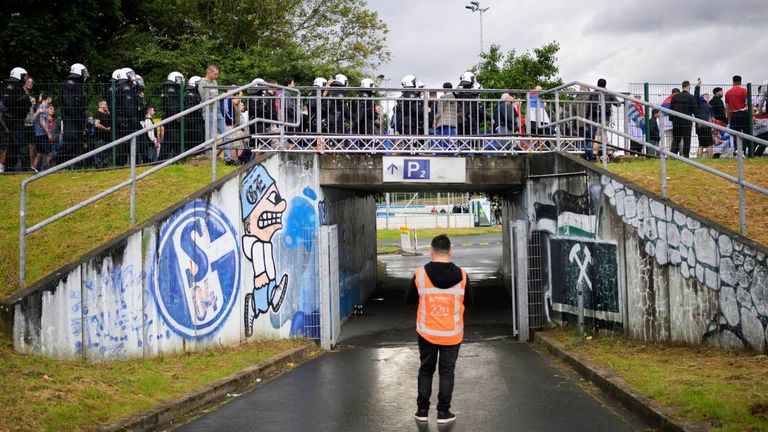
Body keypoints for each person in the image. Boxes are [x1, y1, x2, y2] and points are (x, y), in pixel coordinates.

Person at [405, 234, 472, 424]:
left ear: (431, 252)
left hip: (427, 333)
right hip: (452, 334)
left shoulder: (420, 274)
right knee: (446, 372)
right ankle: (443, 412)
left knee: (426, 370)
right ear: (450, 251)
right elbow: (470, 302)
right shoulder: (463, 275)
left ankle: (422, 411)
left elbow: (408, 300)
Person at [1, 67, 31, 172]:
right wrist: (25, 99)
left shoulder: (15, 86)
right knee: (22, 143)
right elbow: (9, 102)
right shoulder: (11, 86)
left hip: (16, 119)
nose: (25, 78)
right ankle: (26, 167)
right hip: (15, 120)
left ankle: (9, 168)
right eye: (24, 76)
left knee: (12, 144)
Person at [60, 63, 89, 166]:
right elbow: (70, 103)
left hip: (77, 119)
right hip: (71, 120)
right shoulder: (70, 83)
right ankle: (56, 163)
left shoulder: (76, 84)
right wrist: (76, 117)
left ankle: (79, 167)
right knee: (70, 143)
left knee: (78, 144)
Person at [669, 80, 697, 157]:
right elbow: (695, 110)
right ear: (689, 86)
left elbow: (671, 109)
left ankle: (672, 155)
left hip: (676, 121)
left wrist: (672, 119)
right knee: (687, 139)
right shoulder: (691, 97)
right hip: (687, 121)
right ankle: (685, 155)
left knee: (676, 139)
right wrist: (698, 120)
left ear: (682, 86)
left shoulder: (675, 97)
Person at [725, 75, 751, 156]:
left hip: (733, 115)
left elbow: (727, 108)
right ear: (740, 81)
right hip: (743, 114)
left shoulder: (728, 93)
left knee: (736, 134)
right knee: (747, 133)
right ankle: (742, 149)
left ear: (733, 82)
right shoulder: (744, 91)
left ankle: (738, 150)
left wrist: (729, 120)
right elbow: (748, 104)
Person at [161, 71, 184, 160]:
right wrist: (178, 112)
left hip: (170, 119)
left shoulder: (168, 88)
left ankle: (162, 160)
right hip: (172, 120)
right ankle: (177, 160)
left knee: (169, 142)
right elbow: (171, 106)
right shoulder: (171, 89)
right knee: (172, 142)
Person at [32, 93, 55, 172]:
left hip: (39, 134)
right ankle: (49, 171)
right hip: (42, 134)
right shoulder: (43, 107)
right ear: (48, 98)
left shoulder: (42, 106)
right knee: (49, 153)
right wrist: (48, 133)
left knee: (38, 154)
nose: (51, 100)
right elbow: (42, 122)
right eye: (51, 98)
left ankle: (33, 169)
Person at [199, 65, 220, 143]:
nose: (216, 76)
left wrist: (218, 97)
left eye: (217, 74)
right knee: (211, 134)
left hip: (217, 110)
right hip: (209, 110)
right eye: (215, 74)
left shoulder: (215, 82)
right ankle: (210, 153)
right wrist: (217, 97)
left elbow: (216, 95)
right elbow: (204, 98)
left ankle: (227, 155)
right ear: (209, 72)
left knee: (226, 133)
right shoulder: (202, 82)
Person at [693, 79, 714, 158]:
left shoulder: (705, 105)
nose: (708, 98)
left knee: (701, 144)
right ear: (703, 97)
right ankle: (710, 158)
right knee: (709, 143)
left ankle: (699, 158)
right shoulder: (700, 102)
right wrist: (698, 86)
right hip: (704, 126)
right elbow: (696, 95)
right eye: (707, 97)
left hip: (700, 126)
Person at [184, 76, 204, 150]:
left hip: (197, 120)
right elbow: (190, 109)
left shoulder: (196, 94)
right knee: (195, 139)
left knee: (200, 138)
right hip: (193, 122)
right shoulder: (191, 95)